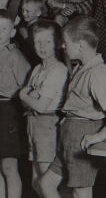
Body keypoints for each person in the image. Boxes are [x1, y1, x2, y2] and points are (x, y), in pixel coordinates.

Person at [40, 16, 106, 198]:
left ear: (81, 45)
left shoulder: (97, 73)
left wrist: (98, 136)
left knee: (81, 192)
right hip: (68, 135)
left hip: (82, 135)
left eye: (66, 42)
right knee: (46, 184)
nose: (62, 46)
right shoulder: (81, 68)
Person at [0, 9, 31, 198]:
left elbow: (27, 87)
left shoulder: (16, 56)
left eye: (3, 29)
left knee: (8, 165)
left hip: (8, 110)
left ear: (12, 32)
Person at [19, 20, 67, 197]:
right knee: (36, 182)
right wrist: (29, 97)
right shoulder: (38, 69)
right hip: (33, 125)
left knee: (47, 184)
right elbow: (27, 104)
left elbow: (40, 105)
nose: (42, 46)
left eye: (47, 41)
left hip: (48, 126)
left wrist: (25, 94)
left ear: (56, 43)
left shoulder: (58, 70)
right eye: (38, 41)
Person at [17, 0, 45, 66]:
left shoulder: (40, 28)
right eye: (23, 10)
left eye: (27, 11)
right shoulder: (24, 25)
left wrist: (26, 37)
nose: (24, 13)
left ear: (38, 13)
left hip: (34, 63)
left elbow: (38, 51)